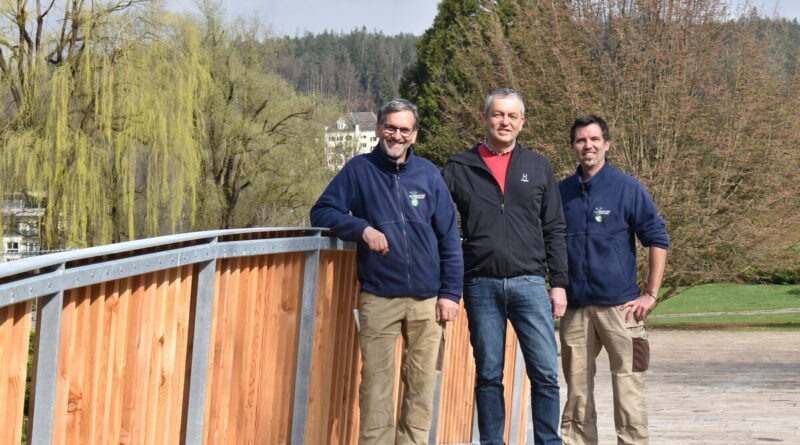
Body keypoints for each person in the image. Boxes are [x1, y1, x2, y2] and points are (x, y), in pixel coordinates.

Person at [310, 98, 463, 445]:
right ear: (379, 129)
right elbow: (321, 211)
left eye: (404, 129)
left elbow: (449, 238)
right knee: (376, 387)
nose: (396, 135)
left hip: (428, 301)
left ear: (414, 134)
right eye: (390, 127)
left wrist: (451, 294)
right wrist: (361, 228)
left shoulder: (429, 175)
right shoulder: (358, 170)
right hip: (379, 297)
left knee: (422, 386)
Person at [443, 88, 568, 445]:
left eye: (512, 116)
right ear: (485, 119)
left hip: (530, 282)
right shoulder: (458, 167)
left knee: (545, 372)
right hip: (481, 284)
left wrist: (558, 284)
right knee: (488, 374)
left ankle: (548, 441)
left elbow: (555, 228)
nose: (504, 122)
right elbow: (436, 222)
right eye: (498, 114)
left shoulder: (538, 166)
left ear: (522, 123)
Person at [558, 115, 669, 445]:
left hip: (622, 309)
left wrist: (651, 294)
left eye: (594, 139)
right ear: (574, 147)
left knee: (628, 391)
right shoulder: (560, 192)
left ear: (606, 143)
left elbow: (657, 238)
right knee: (577, 394)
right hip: (576, 310)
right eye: (581, 140)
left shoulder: (627, 188)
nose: (587, 146)